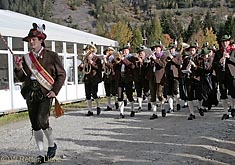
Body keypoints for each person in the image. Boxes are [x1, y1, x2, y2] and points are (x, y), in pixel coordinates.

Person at [14, 23, 66, 163]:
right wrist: (18, 68)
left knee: (42, 121)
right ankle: (41, 153)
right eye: (30, 40)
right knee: (34, 124)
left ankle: (51, 145)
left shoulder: (52, 56)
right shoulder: (26, 58)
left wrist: (55, 91)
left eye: (34, 39)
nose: (31, 42)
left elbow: (61, 75)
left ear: (41, 40)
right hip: (31, 92)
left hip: (45, 93)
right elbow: (23, 78)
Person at [212, 35, 234, 119]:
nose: (224, 43)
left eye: (226, 41)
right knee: (223, 94)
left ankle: (233, 108)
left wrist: (230, 58)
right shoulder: (218, 53)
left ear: (229, 42)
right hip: (221, 76)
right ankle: (225, 112)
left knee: (233, 94)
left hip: (231, 75)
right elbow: (214, 65)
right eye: (223, 42)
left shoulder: (233, 51)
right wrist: (220, 62)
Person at [78, 43, 102, 116]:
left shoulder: (97, 58)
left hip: (94, 78)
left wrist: (91, 62)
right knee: (87, 95)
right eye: (86, 51)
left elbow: (99, 68)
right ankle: (90, 110)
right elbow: (80, 69)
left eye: (87, 50)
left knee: (94, 94)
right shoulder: (85, 59)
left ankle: (98, 106)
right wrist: (82, 64)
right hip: (87, 78)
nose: (86, 52)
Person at [146, 41, 168, 120]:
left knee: (159, 95)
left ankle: (162, 107)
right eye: (154, 48)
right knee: (152, 96)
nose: (155, 49)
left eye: (156, 48)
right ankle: (154, 113)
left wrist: (155, 59)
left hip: (160, 78)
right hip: (152, 78)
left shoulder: (163, 56)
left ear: (160, 48)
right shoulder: (152, 57)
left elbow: (162, 65)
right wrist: (148, 61)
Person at [113, 45, 136, 118]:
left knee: (129, 95)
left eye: (125, 50)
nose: (124, 52)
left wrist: (123, 60)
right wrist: (116, 62)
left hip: (128, 79)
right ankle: (121, 112)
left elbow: (132, 66)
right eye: (123, 51)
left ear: (129, 51)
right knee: (119, 96)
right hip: (120, 79)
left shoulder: (132, 58)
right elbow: (114, 68)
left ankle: (132, 110)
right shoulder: (119, 58)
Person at [165, 42, 182, 113]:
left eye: (172, 49)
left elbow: (179, 63)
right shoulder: (166, 56)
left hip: (175, 75)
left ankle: (177, 103)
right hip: (168, 75)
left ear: (174, 49)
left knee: (175, 91)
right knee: (169, 92)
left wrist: (172, 58)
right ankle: (171, 107)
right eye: (170, 49)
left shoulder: (178, 55)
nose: (171, 50)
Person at [133, 46, 151, 112]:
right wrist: (137, 62)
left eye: (142, 53)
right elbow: (133, 67)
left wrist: (142, 62)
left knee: (146, 92)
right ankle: (140, 106)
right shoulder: (135, 60)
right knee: (138, 92)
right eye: (139, 53)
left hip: (145, 78)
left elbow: (146, 69)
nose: (141, 54)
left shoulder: (147, 60)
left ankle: (149, 102)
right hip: (137, 78)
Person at [102, 47, 118, 111]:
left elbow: (111, 66)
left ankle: (116, 102)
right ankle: (109, 105)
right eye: (107, 52)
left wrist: (106, 62)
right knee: (107, 92)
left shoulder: (114, 59)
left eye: (109, 51)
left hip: (112, 77)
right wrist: (103, 63)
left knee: (113, 91)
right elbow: (103, 68)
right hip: (106, 77)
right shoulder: (106, 59)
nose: (107, 53)